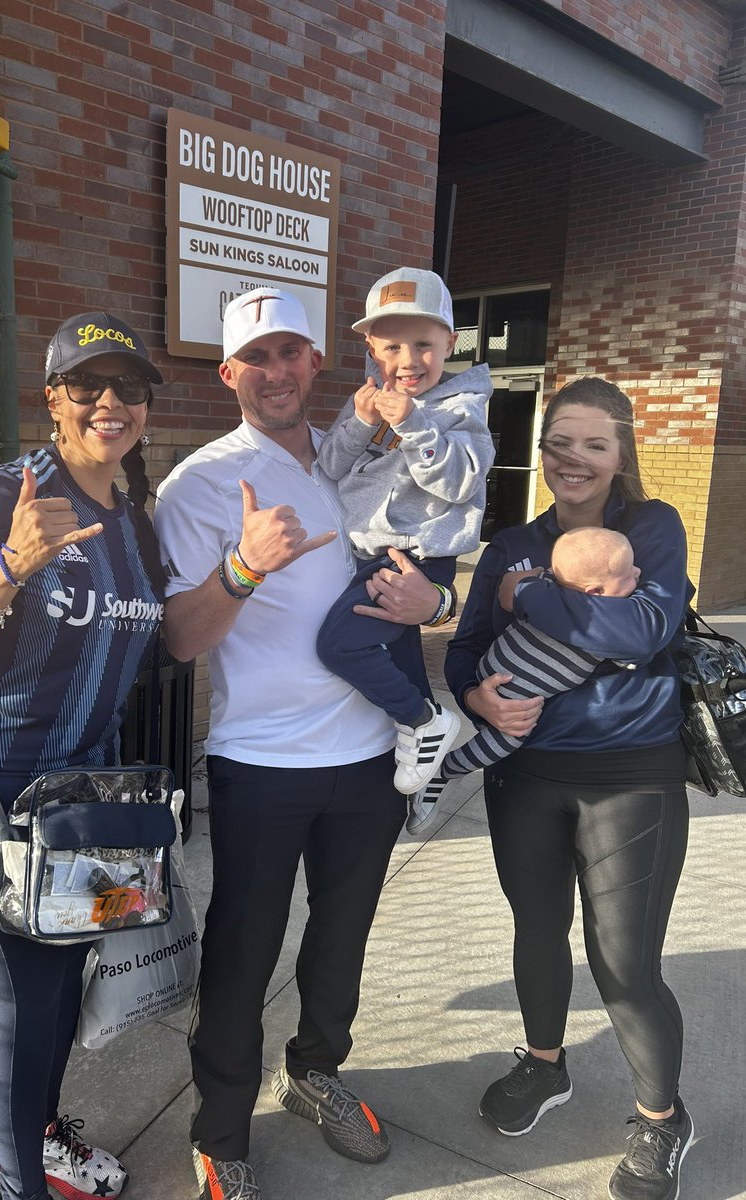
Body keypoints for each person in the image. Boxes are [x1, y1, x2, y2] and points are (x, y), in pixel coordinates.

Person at [0, 311, 165, 1200]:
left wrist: (241, 569)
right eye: (86, 385)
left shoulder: (134, 516)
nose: (109, 403)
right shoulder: (5, 496)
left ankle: (43, 1138)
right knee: (15, 1001)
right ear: (52, 399)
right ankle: (24, 1187)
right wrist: (9, 564)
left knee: (56, 985)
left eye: (127, 386)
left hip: (67, 809)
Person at [153, 288, 412, 1200]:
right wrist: (245, 565)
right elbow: (183, 639)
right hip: (263, 761)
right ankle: (221, 1130)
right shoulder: (200, 484)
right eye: (256, 358)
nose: (276, 372)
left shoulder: (357, 464)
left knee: (341, 939)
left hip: (371, 755)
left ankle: (315, 1074)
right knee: (243, 951)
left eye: (291, 353)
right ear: (230, 374)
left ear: (313, 363)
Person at [444, 377, 694, 1200]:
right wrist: (475, 695)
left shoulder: (650, 528)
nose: (573, 460)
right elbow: (465, 647)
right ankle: (545, 1066)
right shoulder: (510, 543)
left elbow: (643, 629)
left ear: (621, 453)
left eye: (594, 444)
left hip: (632, 779)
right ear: (543, 451)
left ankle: (661, 1121)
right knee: (537, 931)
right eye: (560, 444)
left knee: (623, 966)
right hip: (526, 779)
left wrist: (538, 598)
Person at [315, 267, 494, 796]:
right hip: (369, 554)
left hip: (415, 558)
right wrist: (360, 424)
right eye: (392, 346)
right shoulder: (366, 400)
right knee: (399, 657)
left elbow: (461, 481)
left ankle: (423, 721)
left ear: (451, 343)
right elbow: (329, 466)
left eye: (424, 344)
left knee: (339, 645)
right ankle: (429, 772)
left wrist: (415, 423)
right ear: (371, 346)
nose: (408, 360)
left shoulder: (463, 408)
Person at [407, 526, 641, 833]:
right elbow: (633, 650)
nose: (638, 572)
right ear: (596, 593)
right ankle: (445, 770)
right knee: (513, 736)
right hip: (511, 691)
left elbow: (525, 580)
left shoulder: (546, 587)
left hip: (491, 668)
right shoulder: (601, 623)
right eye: (628, 574)